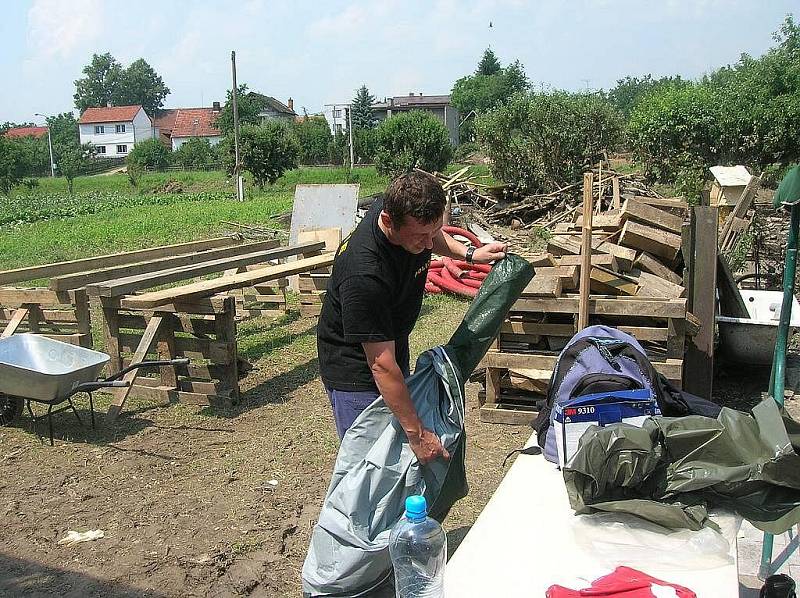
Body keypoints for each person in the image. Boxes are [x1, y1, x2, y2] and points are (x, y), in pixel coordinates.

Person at [316, 171, 508, 465]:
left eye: (432, 233)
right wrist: (418, 435)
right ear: (389, 220)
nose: (430, 245)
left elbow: (432, 234)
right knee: (370, 466)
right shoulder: (364, 273)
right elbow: (381, 365)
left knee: (397, 459)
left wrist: (470, 254)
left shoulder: (403, 205)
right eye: (420, 237)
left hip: (389, 348)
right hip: (357, 374)